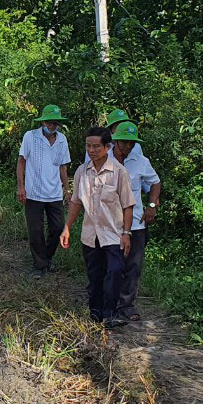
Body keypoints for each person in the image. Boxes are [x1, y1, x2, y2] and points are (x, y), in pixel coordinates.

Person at [60, 126, 136, 328]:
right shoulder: (82, 172)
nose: (91, 150)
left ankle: (110, 313)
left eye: (96, 146)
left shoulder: (119, 172)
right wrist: (67, 227)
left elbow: (128, 205)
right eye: (88, 146)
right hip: (90, 235)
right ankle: (95, 315)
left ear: (107, 147)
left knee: (114, 271)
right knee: (95, 276)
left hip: (113, 234)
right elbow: (76, 202)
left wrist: (127, 233)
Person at [111, 122, 161, 323]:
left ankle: (127, 303)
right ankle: (107, 303)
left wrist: (151, 205)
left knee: (133, 265)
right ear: (115, 140)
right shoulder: (104, 160)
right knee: (111, 265)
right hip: (109, 222)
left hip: (136, 223)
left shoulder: (140, 161)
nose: (128, 147)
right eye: (124, 142)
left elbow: (155, 182)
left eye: (131, 143)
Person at [17, 104, 72, 278]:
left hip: (54, 193)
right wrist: (21, 186)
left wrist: (67, 190)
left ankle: (47, 257)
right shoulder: (30, 136)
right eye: (49, 123)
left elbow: (63, 168)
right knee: (35, 230)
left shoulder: (62, 140)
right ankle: (39, 265)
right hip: (33, 192)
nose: (51, 126)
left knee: (57, 228)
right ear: (43, 122)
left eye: (55, 123)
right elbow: (21, 161)